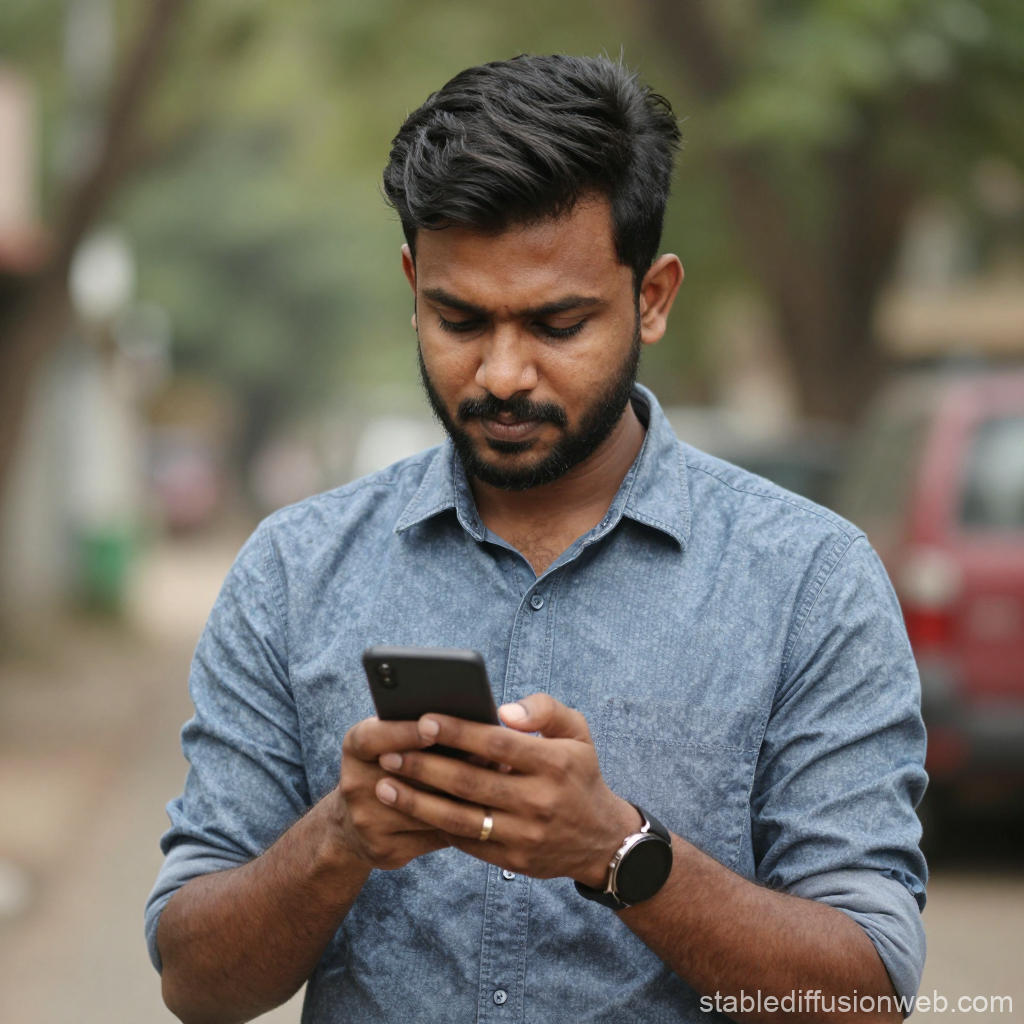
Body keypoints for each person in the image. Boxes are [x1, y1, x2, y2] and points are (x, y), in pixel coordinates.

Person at [147, 55, 927, 1024]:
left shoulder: (812, 581)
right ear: (411, 283)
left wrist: (617, 851)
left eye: (557, 323)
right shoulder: (293, 571)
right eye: (458, 318)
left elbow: (867, 996)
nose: (502, 372)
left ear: (652, 297)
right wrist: (339, 837)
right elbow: (195, 982)